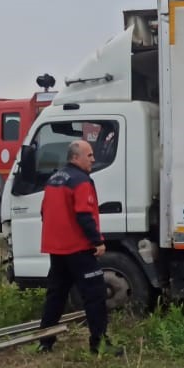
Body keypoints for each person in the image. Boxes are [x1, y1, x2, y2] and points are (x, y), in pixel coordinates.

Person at [37, 139, 121, 355]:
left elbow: (44, 212)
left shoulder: (54, 179)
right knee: (95, 295)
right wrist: (97, 241)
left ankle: (45, 342)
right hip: (78, 248)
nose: (93, 159)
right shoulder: (81, 181)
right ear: (76, 157)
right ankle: (99, 344)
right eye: (89, 155)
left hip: (57, 249)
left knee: (56, 295)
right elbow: (84, 214)